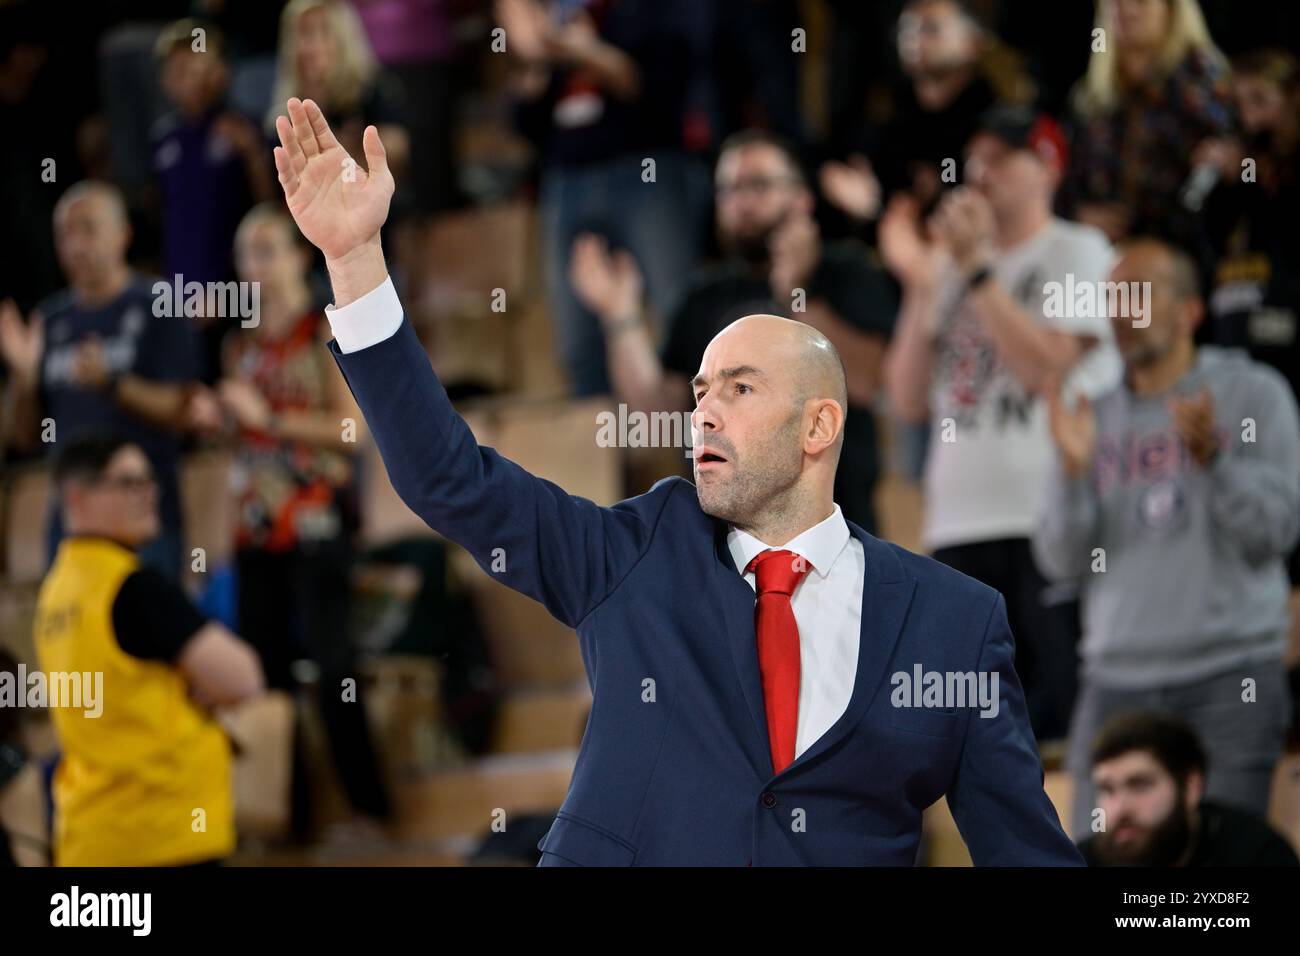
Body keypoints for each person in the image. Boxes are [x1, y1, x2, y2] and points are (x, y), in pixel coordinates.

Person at [270, 96, 1081, 865]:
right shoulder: (632, 553)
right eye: (699, 393)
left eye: (740, 389)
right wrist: (353, 260)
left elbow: (1026, 853)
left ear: (819, 427)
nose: (704, 414)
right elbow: (448, 478)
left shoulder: (955, 625)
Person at [1033, 237, 1300, 838]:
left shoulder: (1254, 394)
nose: (1125, 312)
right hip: (1114, 682)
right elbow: (1061, 562)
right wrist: (1075, 475)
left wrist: (1215, 462)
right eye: (1115, 297)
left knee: (1220, 879)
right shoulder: (1089, 415)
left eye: (1142, 293)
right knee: (1096, 858)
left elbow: (1275, 534)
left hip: (1231, 677)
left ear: (1191, 311)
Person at [883, 105, 1122, 742]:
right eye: (976, 158)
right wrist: (920, 283)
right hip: (956, 519)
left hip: (1038, 514)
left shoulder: (1080, 249)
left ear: (1047, 165)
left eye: (1001, 157)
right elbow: (906, 399)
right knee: (968, 728)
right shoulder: (951, 265)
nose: (981, 172)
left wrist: (980, 272)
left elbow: (1045, 369)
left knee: (1054, 719)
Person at [569, 129, 897, 533]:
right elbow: (657, 417)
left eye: (758, 184)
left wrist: (796, 291)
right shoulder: (703, 295)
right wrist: (621, 317)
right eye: (728, 189)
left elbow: (866, 380)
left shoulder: (846, 270)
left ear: (801, 198)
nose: (741, 201)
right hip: (724, 541)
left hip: (836, 525)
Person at [188, 202, 391, 837]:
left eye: (269, 249)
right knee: (265, 680)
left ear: (299, 256)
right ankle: (288, 817)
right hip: (253, 529)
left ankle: (370, 810)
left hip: (315, 523)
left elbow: (352, 430)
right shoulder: (235, 344)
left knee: (335, 671)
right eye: (246, 252)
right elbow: (239, 448)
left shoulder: (322, 332)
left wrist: (266, 419)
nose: (256, 264)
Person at [33, 434, 264, 866]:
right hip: (164, 832)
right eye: (127, 483)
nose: (148, 494)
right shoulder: (133, 587)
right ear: (77, 497)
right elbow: (243, 677)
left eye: (148, 481)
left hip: (91, 839)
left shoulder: (56, 592)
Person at [500, 0, 707, 396]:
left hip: (647, 171)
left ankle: (704, 449)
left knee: (680, 319)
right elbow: (527, 125)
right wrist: (533, 61)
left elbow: (661, 89)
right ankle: (604, 454)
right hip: (566, 180)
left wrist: (580, 51)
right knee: (577, 343)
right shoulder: (552, 13)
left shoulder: (650, 12)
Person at [0, 181, 200, 579]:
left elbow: (181, 409)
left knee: (146, 637)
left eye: (88, 229)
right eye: (65, 234)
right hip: (71, 518)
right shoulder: (49, 319)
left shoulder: (159, 304)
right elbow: (24, 439)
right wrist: (24, 378)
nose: (75, 245)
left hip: (142, 515)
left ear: (122, 234)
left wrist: (111, 383)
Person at [152, 18, 274, 382]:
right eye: (179, 70)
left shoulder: (245, 130)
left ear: (221, 71)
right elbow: (164, 221)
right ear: (165, 80)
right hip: (179, 296)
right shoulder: (162, 141)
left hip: (238, 293)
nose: (190, 79)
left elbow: (269, 212)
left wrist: (252, 154)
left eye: (199, 68)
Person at [1061, 0, 1234, 245]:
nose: (1126, 9)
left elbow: (1241, 169)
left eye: (1141, 1)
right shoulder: (1091, 97)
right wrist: (1076, 215)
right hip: (1097, 249)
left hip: (1177, 253)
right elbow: (1061, 177)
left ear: (1172, 9)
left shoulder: (1205, 84)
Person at [820, 0, 999, 223]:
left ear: (973, 44)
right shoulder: (889, 106)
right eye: (906, 28)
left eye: (931, 28)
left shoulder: (992, 122)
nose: (912, 38)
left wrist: (875, 208)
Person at [1077, 711, 1298, 866]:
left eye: (1140, 785)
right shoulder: (1084, 860)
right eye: (1107, 790)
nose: (1119, 809)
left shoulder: (1257, 854)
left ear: (1191, 787)